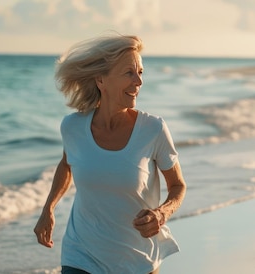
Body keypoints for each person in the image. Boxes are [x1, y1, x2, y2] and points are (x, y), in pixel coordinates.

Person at [33, 34, 187, 274]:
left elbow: (178, 185)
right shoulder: (73, 127)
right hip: (80, 254)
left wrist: (160, 213)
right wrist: (48, 209)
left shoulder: (153, 129)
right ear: (101, 79)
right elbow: (67, 165)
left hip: (136, 260)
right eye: (129, 73)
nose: (139, 81)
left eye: (141, 72)